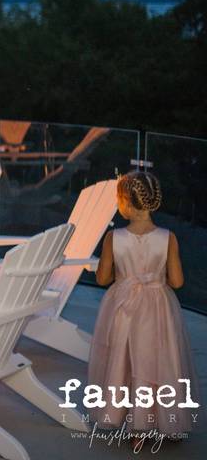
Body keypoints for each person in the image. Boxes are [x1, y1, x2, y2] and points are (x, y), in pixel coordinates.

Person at [88, 171, 198, 437]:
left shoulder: (113, 239)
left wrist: (125, 274)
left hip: (123, 307)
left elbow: (102, 279)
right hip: (158, 308)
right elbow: (178, 281)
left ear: (125, 201)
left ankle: (127, 420)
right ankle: (159, 420)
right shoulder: (168, 237)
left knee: (123, 359)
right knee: (157, 358)